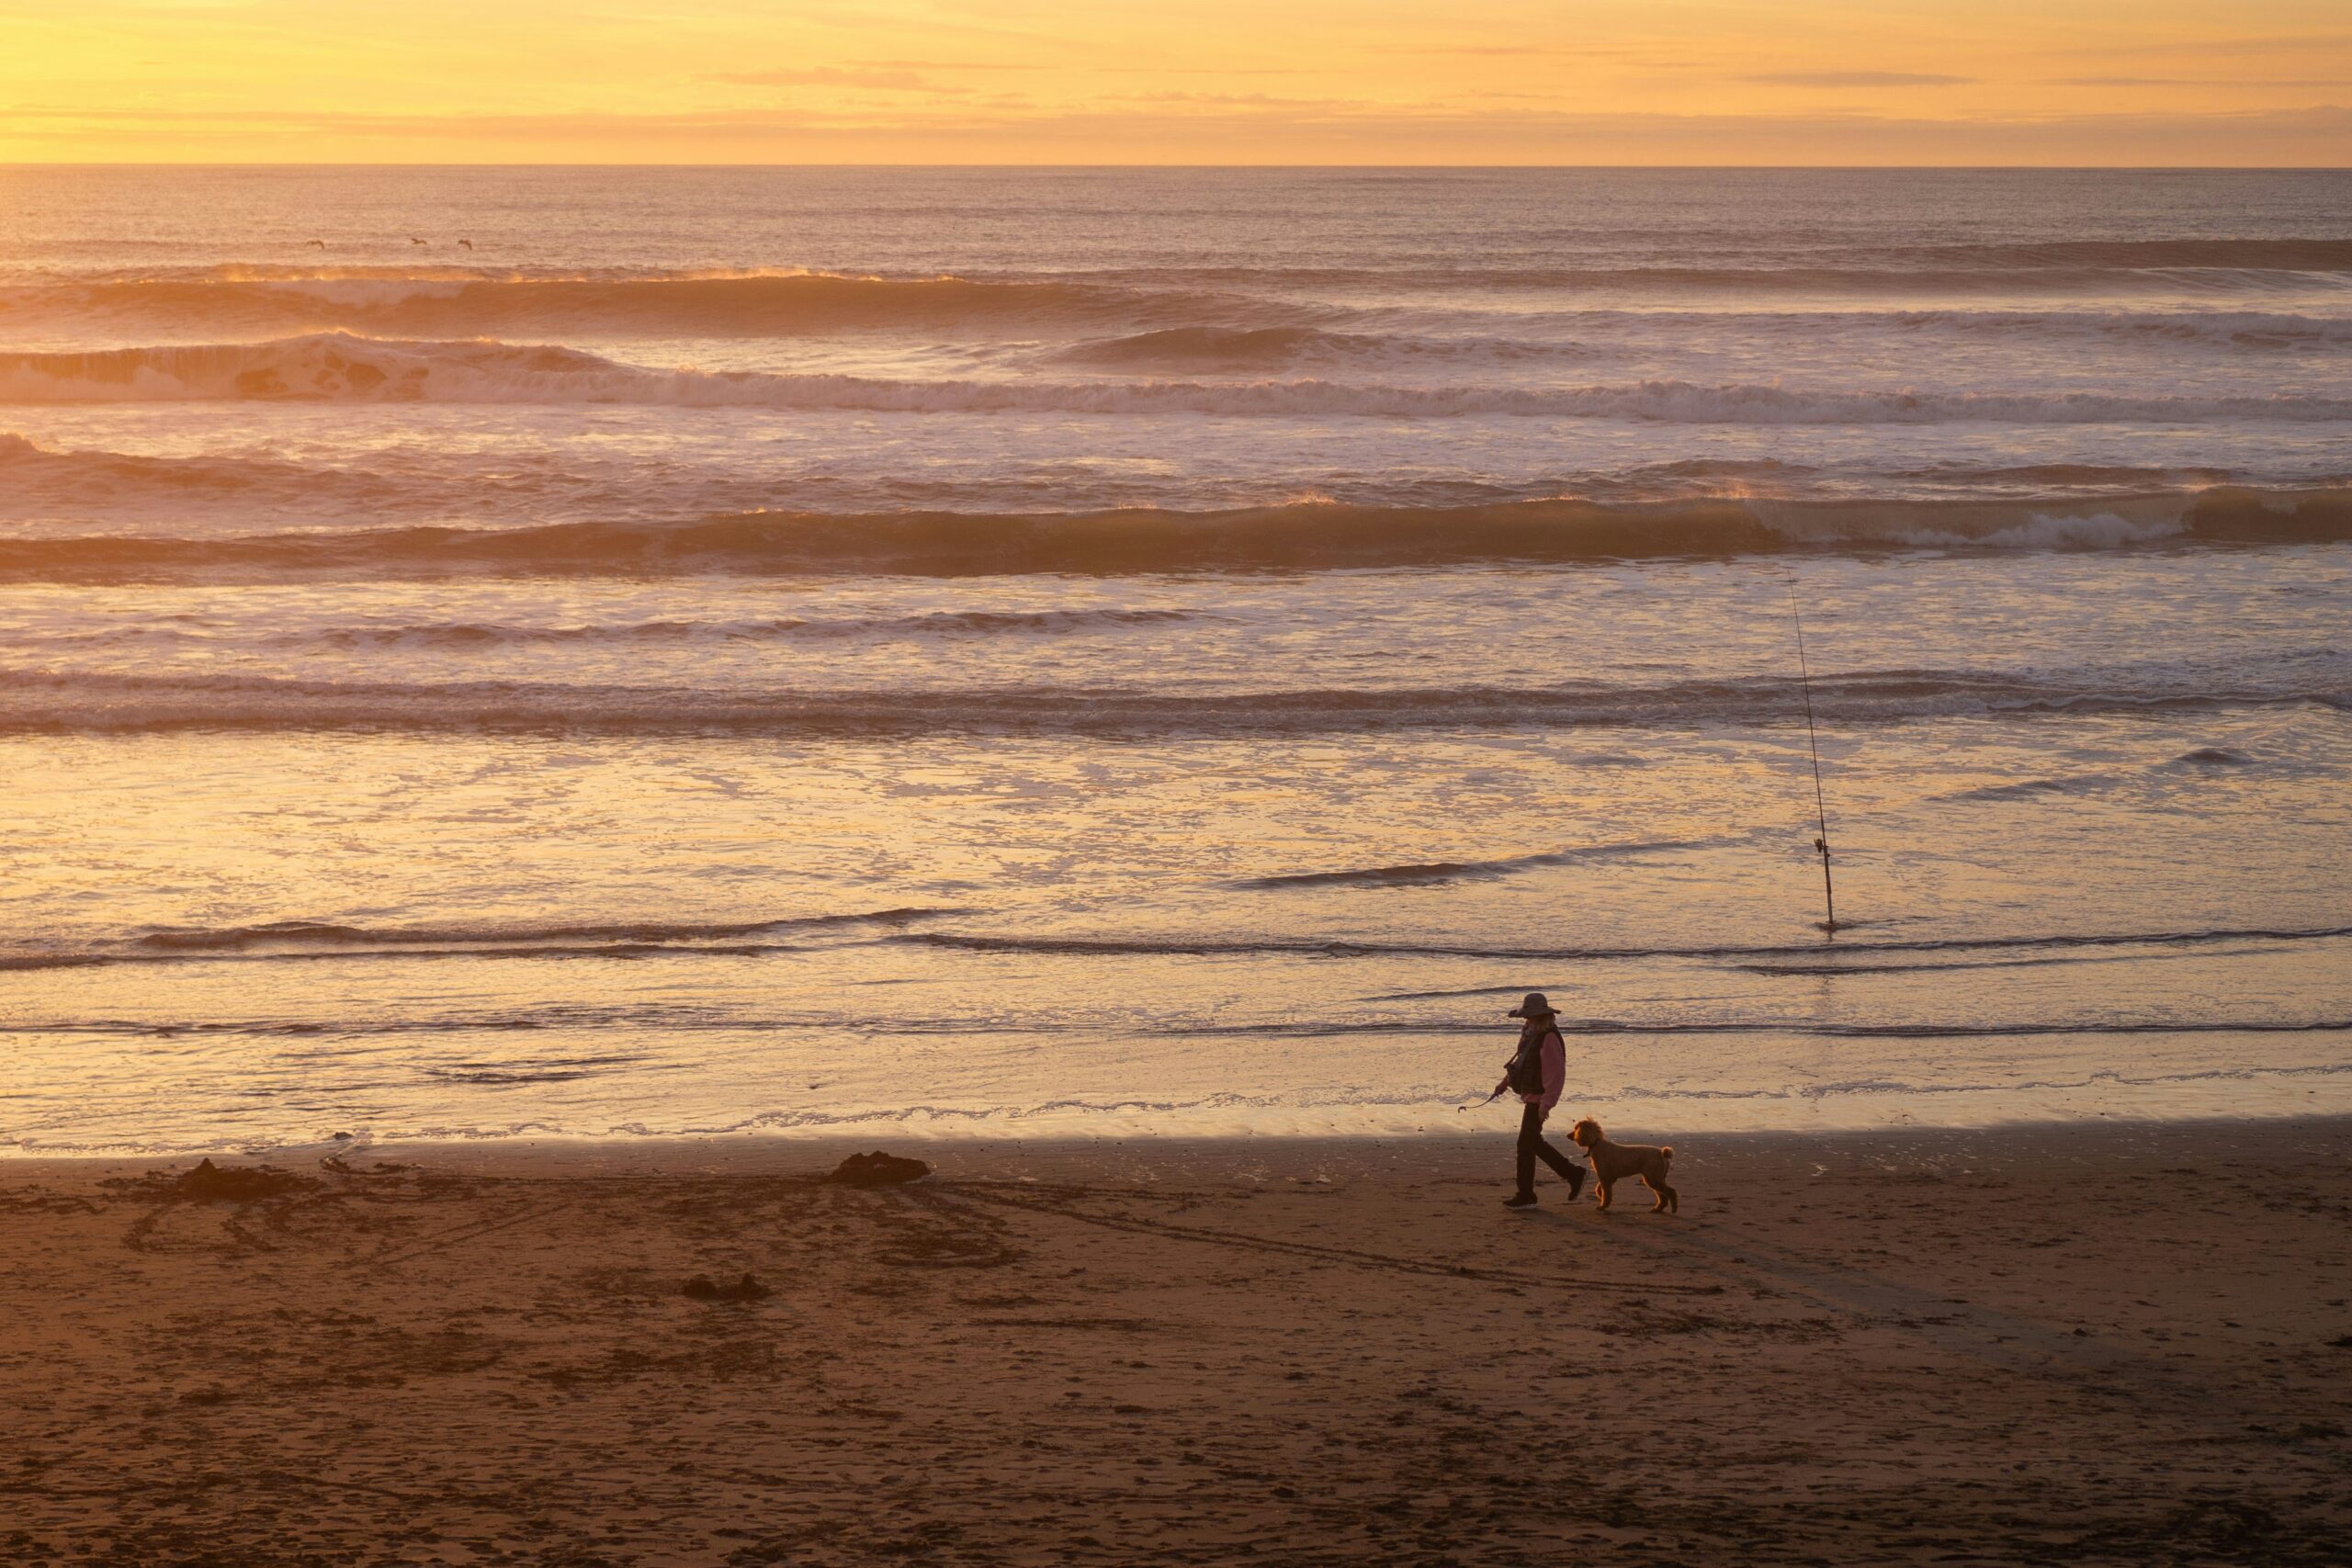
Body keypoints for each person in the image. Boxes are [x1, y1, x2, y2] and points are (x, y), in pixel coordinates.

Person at [1496, 991, 1583, 1208]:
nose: (1526, 1020)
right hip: (1531, 1094)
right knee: (1532, 1143)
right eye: (1526, 1016)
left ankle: (1528, 1194)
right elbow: (1521, 1063)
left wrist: (1547, 1104)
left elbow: (1555, 1074)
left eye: (1530, 1016)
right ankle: (1572, 1174)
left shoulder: (1549, 1037)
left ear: (1541, 1016)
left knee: (1526, 1144)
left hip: (1539, 1098)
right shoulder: (1530, 1034)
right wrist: (1504, 1083)